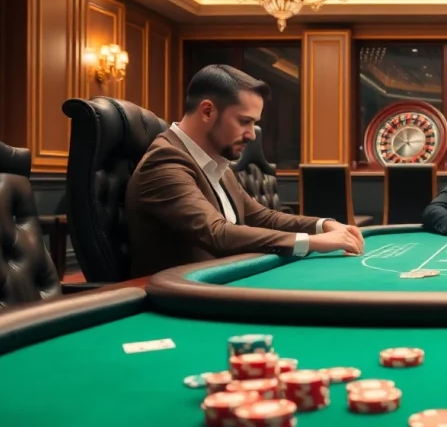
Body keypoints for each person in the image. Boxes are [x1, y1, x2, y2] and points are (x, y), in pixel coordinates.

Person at [125, 64, 365, 277]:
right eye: (244, 121)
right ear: (207, 111)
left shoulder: (217, 163)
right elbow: (218, 234)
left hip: (223, 282)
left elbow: (263, 217)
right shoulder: (165, 160)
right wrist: (314, 242)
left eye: (254, 123)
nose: (251, 134)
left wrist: (323, 225)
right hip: (181, 300)